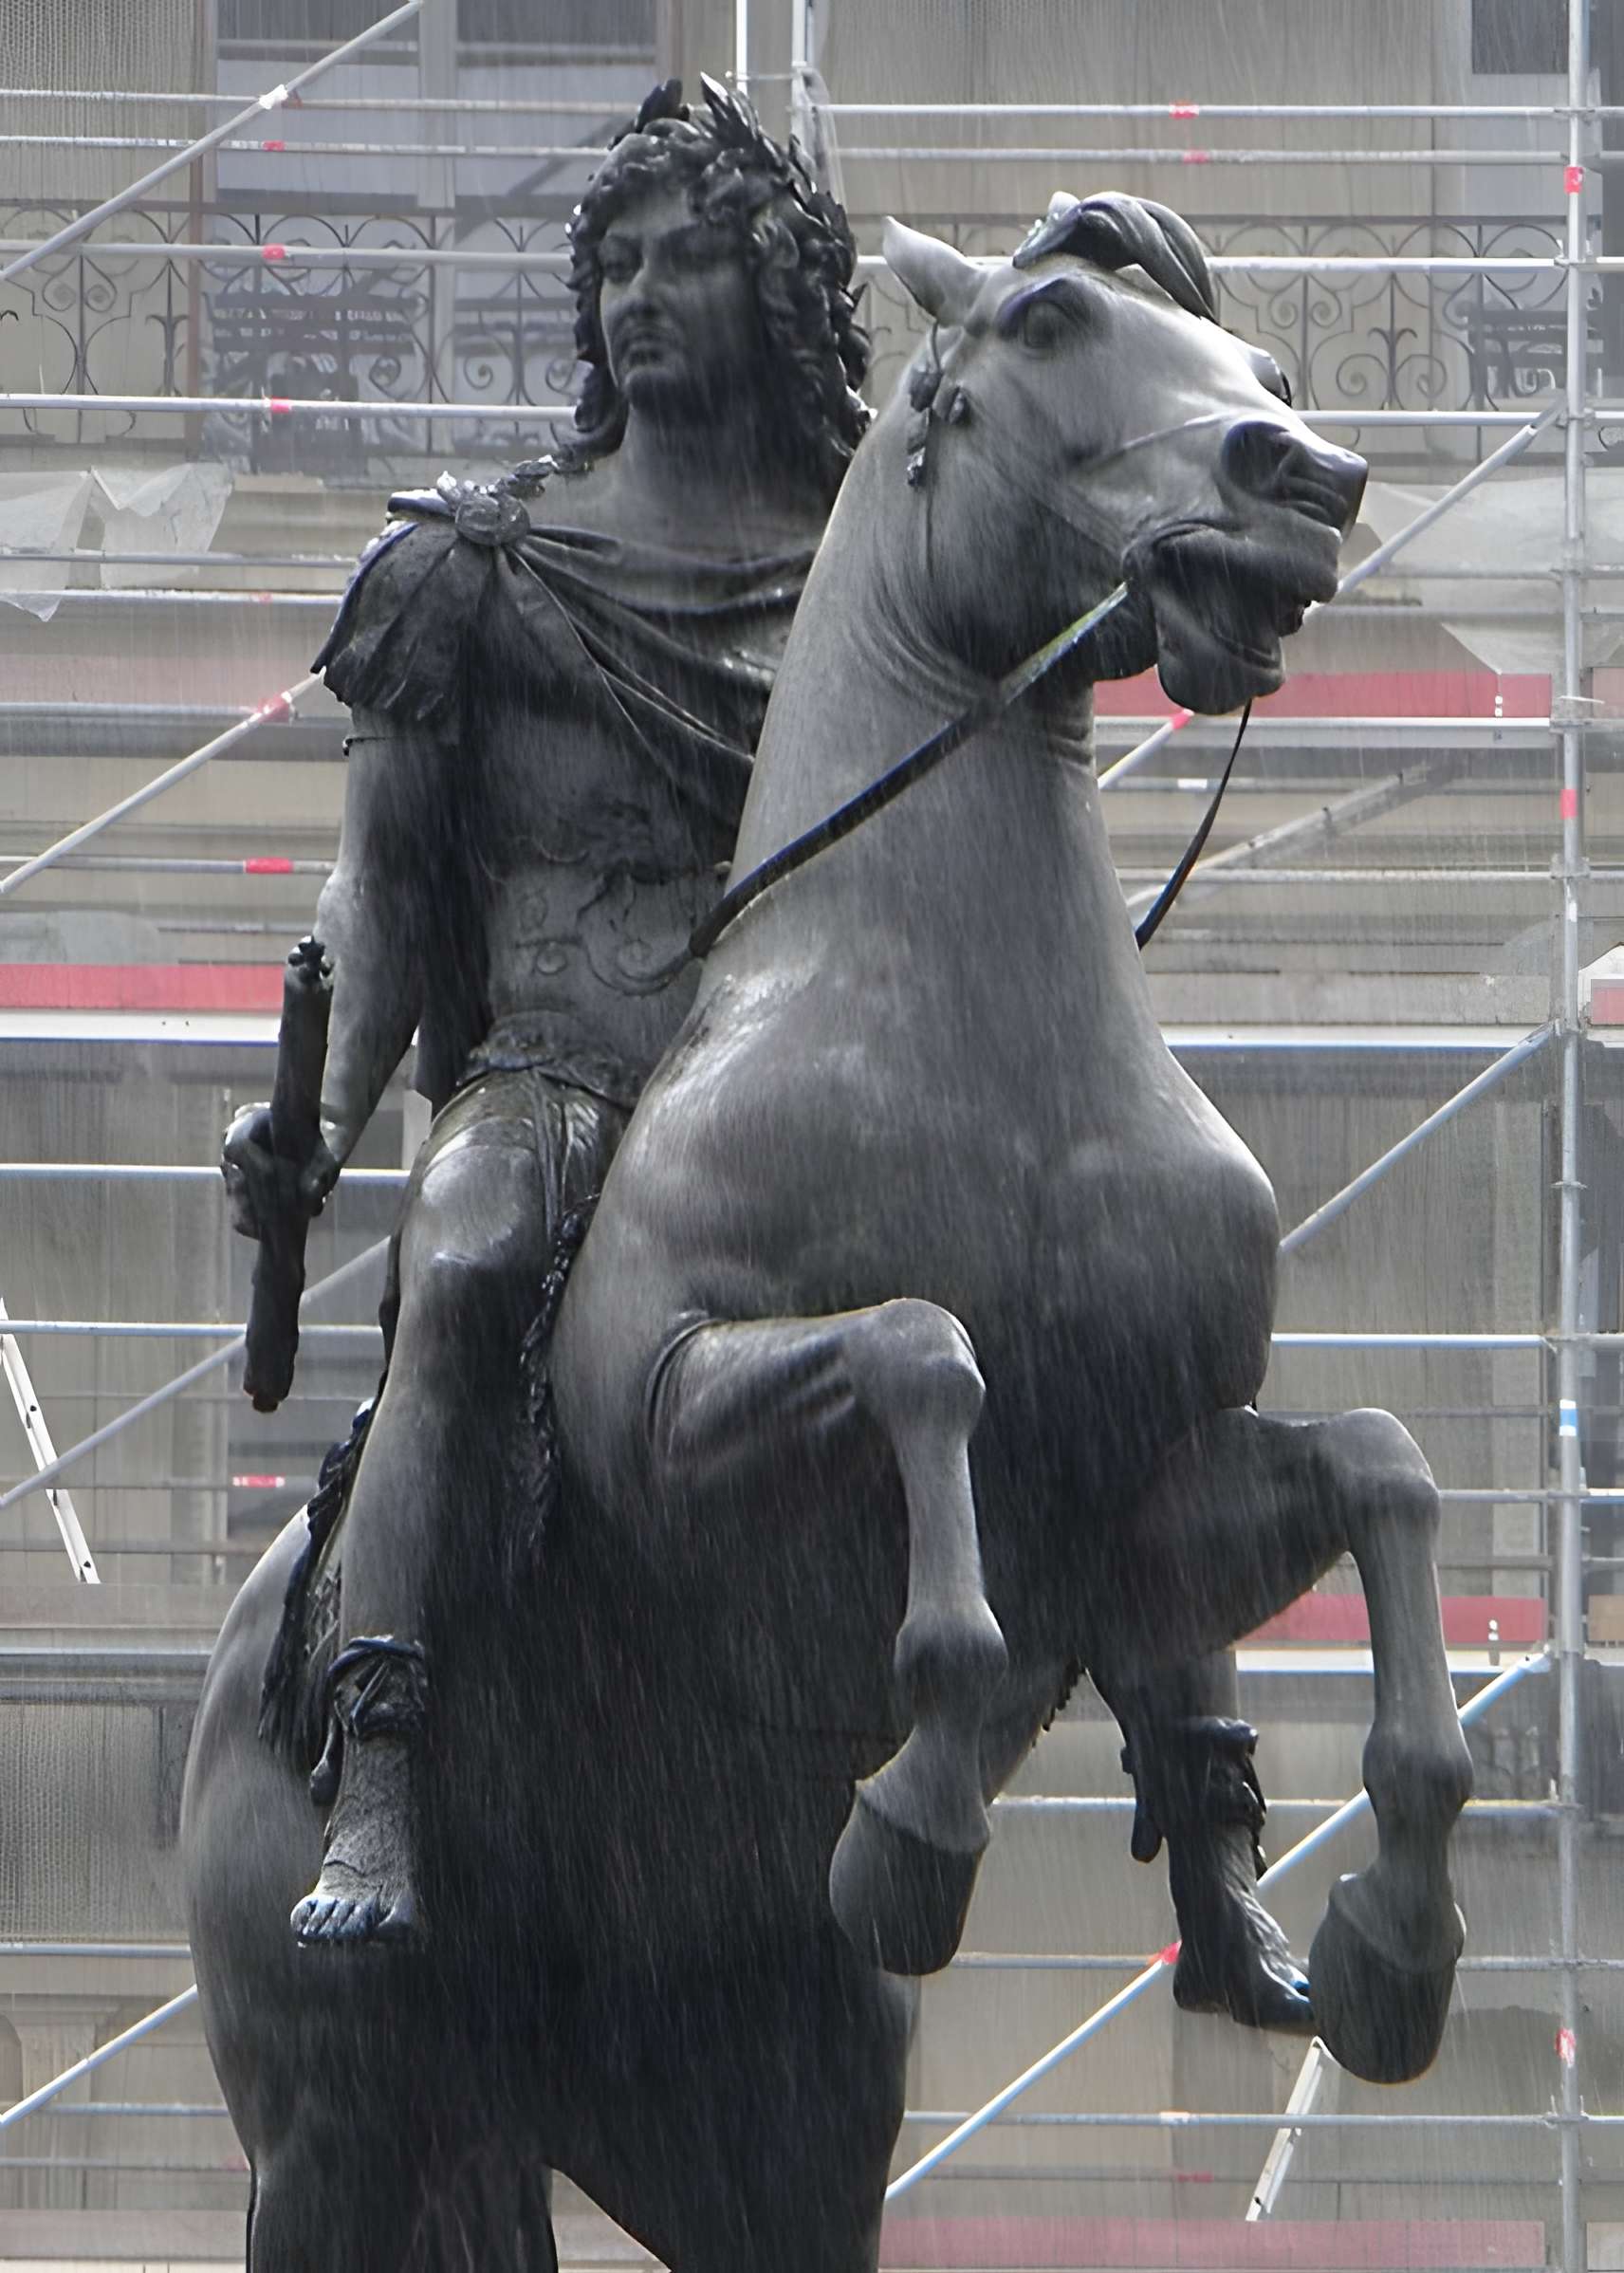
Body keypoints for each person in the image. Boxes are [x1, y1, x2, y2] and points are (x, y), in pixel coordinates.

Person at [225, 75, 871, 1948]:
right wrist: (325, 1120)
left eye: (688, 260)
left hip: (793, 1090)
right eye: (616, 265)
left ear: (776, 295)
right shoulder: (478, 571)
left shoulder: (857, 589)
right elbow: (381, 892)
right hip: (560, 1076)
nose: (643, 294)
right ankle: (385, 1765)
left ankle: (1177, 1745)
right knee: (475, 1242)